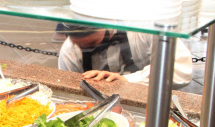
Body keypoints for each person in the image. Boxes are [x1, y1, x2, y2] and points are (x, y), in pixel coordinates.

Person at [57, 24, 193, 88]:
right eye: (80, 45)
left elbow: (181, 70)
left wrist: (128, 80)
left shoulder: (144, 27)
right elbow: (69, 89)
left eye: (92, 44)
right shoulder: (69, 50)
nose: (84, 49)